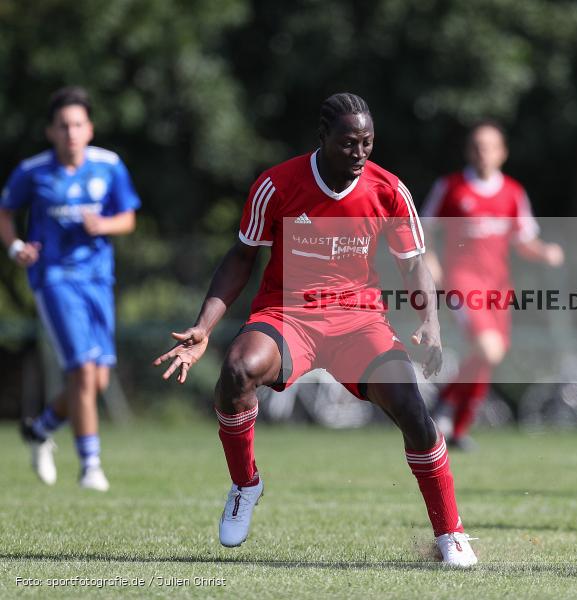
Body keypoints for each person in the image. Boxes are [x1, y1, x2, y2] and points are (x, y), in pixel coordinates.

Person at [153, 93, 477, 566]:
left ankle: (450, 533)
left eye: (367, 142)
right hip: (287, 315)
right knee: (238, 371)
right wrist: (204, 326)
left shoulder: (389, 190)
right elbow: (242, 257)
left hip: (359, 321)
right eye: (348, 143)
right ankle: (245, 485)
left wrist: (430, 324)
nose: (360, 152)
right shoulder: (277, 184)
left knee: (412, 407)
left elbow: (414, 268)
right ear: (322, 138)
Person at [1, 86, 140, 492]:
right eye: (63, 126)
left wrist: (104, 224)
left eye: (78, 124)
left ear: (90, 128)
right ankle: (90, 465)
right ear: (50, 132)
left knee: (95, 382)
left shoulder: (109, 166)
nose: (71, 133)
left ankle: (39, 429)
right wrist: (15, 248)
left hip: (98, 280)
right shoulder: (33, 171)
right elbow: (6, 212)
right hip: (54, 279)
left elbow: (128, 217)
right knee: (80, 370)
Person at [422, 121, 563, 450]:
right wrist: (430, 260)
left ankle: (456, 429)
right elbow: (424, 229)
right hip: (462, 281)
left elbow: (524, 240)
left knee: (488, 357)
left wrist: (546, 252)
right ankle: (443, 402)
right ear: (469, 151)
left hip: (499, 287)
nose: (482, 152)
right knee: (488, 349)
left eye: (489, 146)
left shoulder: (513, 192)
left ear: (502, 153)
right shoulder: (451, 187)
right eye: (476, 146)